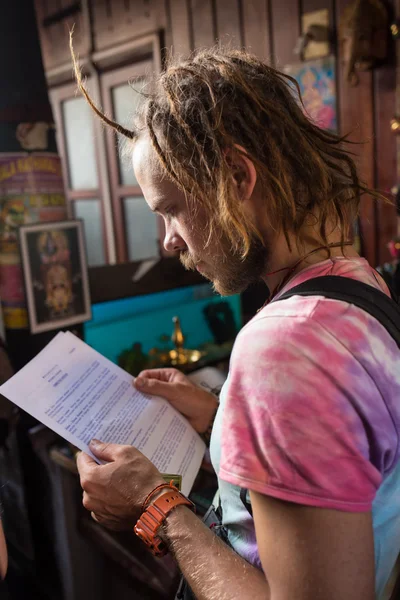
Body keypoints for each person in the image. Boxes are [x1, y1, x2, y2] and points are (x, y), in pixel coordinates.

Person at [73, 41, 400, 600]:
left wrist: (157, 506)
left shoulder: (282, 348)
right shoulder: (356, 282)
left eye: (172, 208)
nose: (170, 239)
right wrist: (217, 412)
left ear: (238, 176)